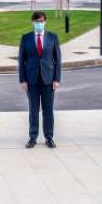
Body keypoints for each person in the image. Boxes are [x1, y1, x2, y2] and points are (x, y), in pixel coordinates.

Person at [18, 11, 61, 148]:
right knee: (33, 110)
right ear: (32, 23)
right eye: (37, 21)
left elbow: (58, 60)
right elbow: (21, 61)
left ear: (45, 22)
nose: (39, 23)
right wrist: (22, 80)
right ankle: (33, 137)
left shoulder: (53, 37)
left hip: (48, 80)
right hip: (31, 80)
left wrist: (57, 79)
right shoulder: (26, 38)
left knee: (48, 110)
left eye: (41, 21)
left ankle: (49, 137)